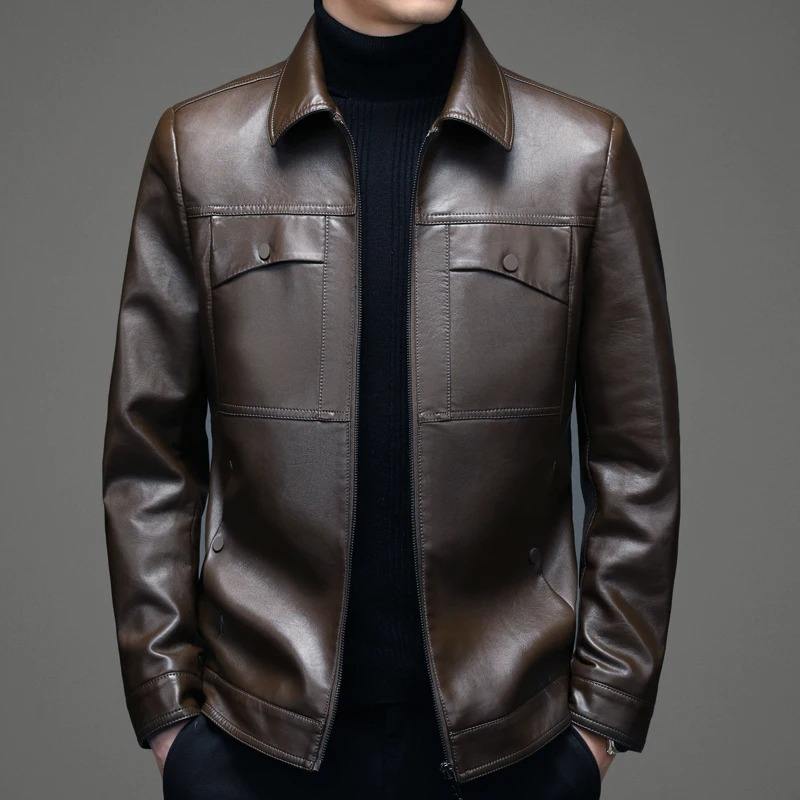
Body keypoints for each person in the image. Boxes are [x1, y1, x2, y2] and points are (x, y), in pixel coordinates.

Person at [102, 0, 680, 797]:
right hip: (252, 745)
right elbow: (147, 457)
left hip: (515, 749)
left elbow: (637, 465)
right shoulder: (199, 151)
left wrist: (597, 727)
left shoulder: (583, 157)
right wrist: (170, 715)